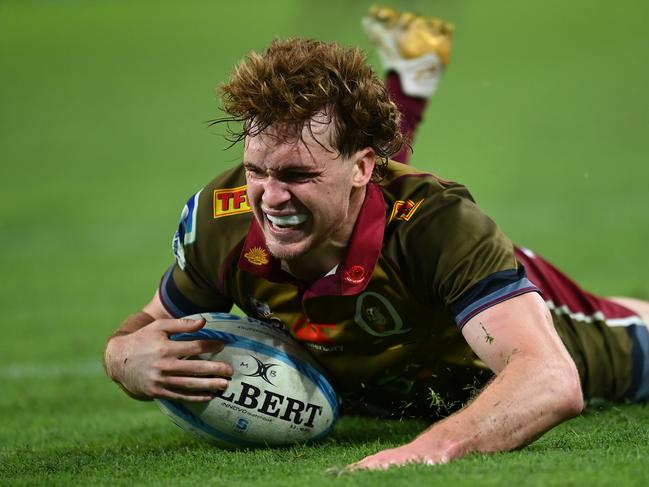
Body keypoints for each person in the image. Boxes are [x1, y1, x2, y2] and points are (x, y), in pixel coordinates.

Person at [103, 9, 649, 471]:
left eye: (297, 175)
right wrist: (123, 354)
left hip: (567, 327)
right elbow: (148, 324)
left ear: (364, 166)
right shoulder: (219, 223)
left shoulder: (441, 224)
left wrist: (426, 451)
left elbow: (552, 378)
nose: (268, 197)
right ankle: (414, 69)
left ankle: (414, 69)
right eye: (256, 171)